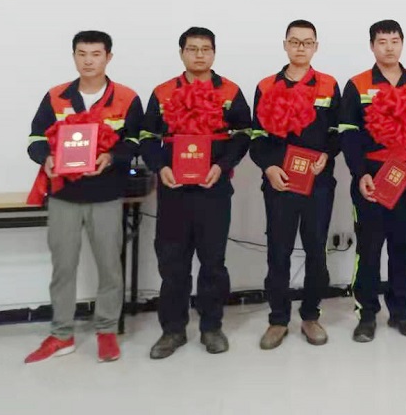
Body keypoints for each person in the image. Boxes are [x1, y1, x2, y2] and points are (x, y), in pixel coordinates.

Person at [24, 30, 143, 364]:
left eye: (96, 54)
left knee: (110, 267)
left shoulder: (126, 98)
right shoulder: (56, 97)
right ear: (74, 56)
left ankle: (106, 331)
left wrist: (112, 157)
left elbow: (136, 142)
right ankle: (61, 334)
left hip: (106, 195)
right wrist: (45, 158)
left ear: (108, 57)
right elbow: (35, 139)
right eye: (82, 54)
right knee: (63, 267)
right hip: (64, 194)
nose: (88, 61)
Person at [140, 27, 251, 358]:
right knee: (173, 263)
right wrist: (160, 167)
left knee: (213, 262)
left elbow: (243, 134)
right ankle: (173, 330)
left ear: (214, 53)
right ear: (181, 53)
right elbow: (147, 137)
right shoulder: (163, 92)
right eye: (192, 49)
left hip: (213, 190)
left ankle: (211, 327)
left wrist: (223, 165)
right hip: (173, 191)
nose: (199, 55)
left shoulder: (229, 91)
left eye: (206, 49)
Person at [339, 20, 406, 342]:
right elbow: (348, 134)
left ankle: (401, 313)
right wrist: (360, 173)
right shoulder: (358, 85)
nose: (389, 47)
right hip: (371, 179)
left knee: (402, 246)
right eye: (382, 42)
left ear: (402, 43)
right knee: (368, 248)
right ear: (372, 46)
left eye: (395, 41)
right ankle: (366, 315)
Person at [250, 20, 340, 349]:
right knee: (279, 251)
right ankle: (278, 319)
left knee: (316, 250)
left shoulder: (328, 85)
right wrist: (269, 167)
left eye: (307, 42)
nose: (300, 47)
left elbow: (337, 133)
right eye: (295, 41)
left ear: (316, 47)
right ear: (285, 45)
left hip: (318, 184)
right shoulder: (266, 86)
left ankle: (311, 316)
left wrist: (327, 155)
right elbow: (256, 138)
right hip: (280, 184)